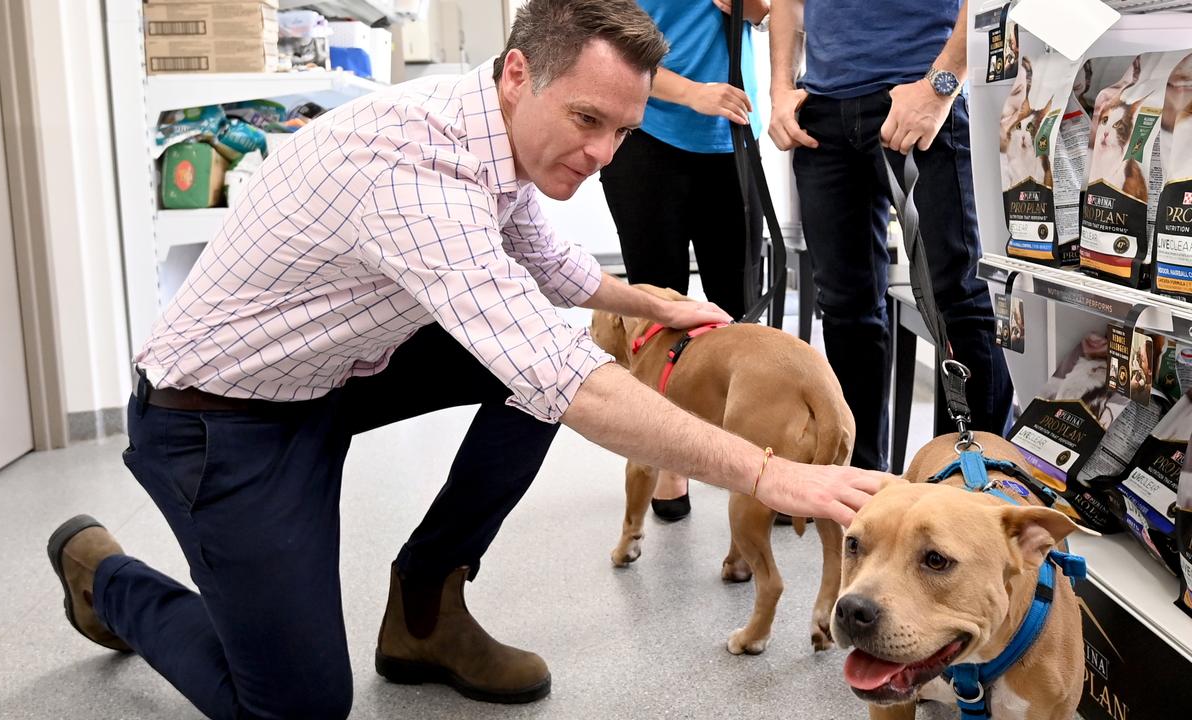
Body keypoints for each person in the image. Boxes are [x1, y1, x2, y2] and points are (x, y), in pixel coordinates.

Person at [46, 2, 886, 718]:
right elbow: (564, 373)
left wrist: (657, 303)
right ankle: (107, 579)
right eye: (587, 120)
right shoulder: (414, 167)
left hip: (329, 380)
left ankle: (424, 606)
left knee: (527, 367)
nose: (602, 154)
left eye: (622, 131)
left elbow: (549, 266)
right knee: (296, 707)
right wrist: (767, 475)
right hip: (217, 421)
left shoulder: (494, 132)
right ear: (519, 73)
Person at [768, 0, 1013, 472]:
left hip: (918, 95)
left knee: (957, 299)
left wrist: (940, 87)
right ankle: (862, 487)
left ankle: (969, 490)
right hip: (822, 113)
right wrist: (781, 88)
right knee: (845, 307)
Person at [599, 0, 769, 520]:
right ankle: (668, 457)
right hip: (647, 132)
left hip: (732, 133)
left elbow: (768, 15)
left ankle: (755, 456)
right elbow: (608, 41)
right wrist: (691, 92)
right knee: (655, 308)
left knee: (738, 312)